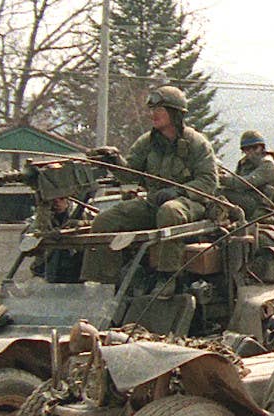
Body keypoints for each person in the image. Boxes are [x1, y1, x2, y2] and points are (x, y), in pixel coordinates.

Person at [80, 86, 218, 295]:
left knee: (170, 211)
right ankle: (100, 283)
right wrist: (114, 162)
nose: (153, 114)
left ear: (175, 113)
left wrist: (178, 192)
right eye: (151, 109)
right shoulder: (147, 142)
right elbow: (130, 174)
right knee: (105, 220)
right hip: (154, 203)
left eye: (159, 109)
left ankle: (166, 277)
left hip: (190, 204)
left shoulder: (197, 143)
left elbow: (208, 182)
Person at [220, 130, 274, 222]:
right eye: (247, 149)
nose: (251, 152)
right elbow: (236, 177)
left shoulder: (268, 164)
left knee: (221, 193)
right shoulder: (244, 163)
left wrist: (222, 179)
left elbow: (248, 182)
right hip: (246, 198)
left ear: (262, 148)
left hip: (260, 205)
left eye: (255, 148)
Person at [27, 195, 89, 282]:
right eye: (53, 200)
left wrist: (80, 225)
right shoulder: (41, 219)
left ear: (67, 200)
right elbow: (27, 242)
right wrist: (45, 233)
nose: (57, 203)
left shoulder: (81, 215)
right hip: (45, 272)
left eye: (61, 199)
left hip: (75, 272)